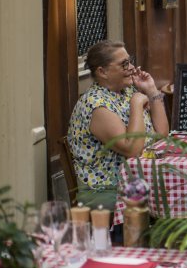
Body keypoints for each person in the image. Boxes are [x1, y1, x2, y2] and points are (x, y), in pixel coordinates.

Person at [67, 40, 169, 237]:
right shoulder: (96, 105)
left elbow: (162, 135)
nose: (131, 68)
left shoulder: (125, 93)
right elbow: (133, 150)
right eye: (124, 64)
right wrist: (137, 105)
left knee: (178, 195)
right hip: (107, 192)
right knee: (172, 200)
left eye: (130, 61)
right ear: (103, 72)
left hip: (135, 183)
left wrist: (151, 91)